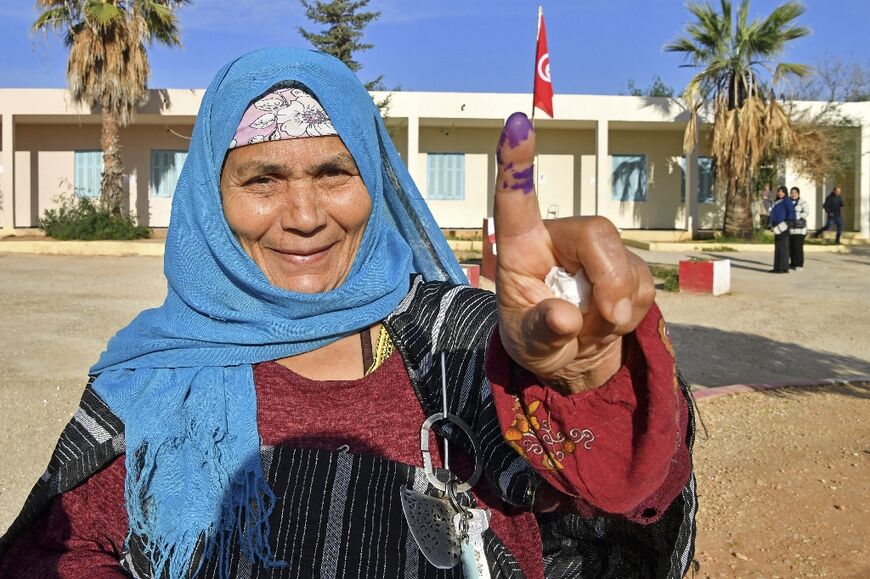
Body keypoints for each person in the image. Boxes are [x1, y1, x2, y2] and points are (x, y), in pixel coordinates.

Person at [0, 48, 696, 578]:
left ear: (374, 180)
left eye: (334, 173)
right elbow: (59, 549)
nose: (305, 217)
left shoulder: (459, 344)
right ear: (212, 203)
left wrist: (589, 378)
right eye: (262, 179)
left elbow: (621, 490)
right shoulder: (158, 370)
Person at [769, 185, 796, 274]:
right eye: (779, 191)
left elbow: (791, 213)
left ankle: (783, 267)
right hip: (777, 226)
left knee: (783, 247)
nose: (780, 193)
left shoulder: (787, 201)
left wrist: (788, 223)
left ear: (785, 192)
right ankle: (777, 267)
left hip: (783, 226)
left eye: (782, 191)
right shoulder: (777, 202)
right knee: (778, 247)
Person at [789, 186, 809, 271]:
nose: (793, 194)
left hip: (800, 229)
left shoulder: (803, 202)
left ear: (798, 194)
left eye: (795, 193)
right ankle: (793, 263)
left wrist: (798, 215)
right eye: (792, 193)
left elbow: (806, 212)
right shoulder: (788, 202)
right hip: (790, 229)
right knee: (791, 247)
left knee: (798, 247)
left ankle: (799, 264)